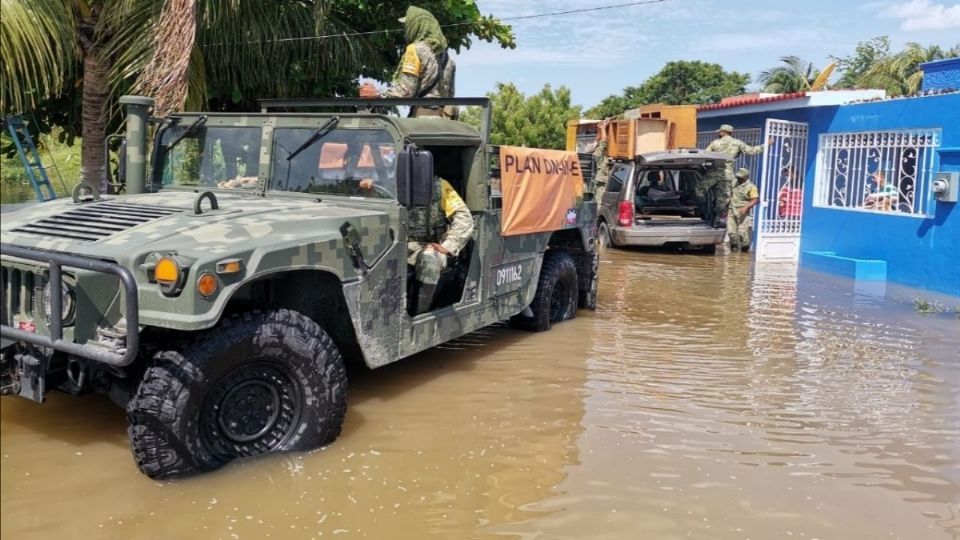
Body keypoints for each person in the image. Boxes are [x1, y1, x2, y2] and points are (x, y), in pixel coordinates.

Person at [359, 6, 457, 119]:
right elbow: (450, 95)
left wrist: (376, 94)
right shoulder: (448, 59)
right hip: (445, 122)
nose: (406, 30)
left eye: (408, 25)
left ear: (417, 26)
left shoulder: (415, 50)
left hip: (422, 121)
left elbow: (405, 92)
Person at [403, 176, 474, 314]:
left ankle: (417, 316)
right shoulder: (384, 181)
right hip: (395, 244)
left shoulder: (438, 186)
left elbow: (464, 219)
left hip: (426, 246)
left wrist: (448, 246)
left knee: (429, 258)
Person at [698, 124, 770, 228]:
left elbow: (705, 155)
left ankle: (702, 212)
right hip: (727, 174)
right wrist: (766, 145)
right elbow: (752, 151)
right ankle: (717, 219)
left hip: (713, 173)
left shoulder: (715, 143)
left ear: (723, 132)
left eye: (720, 132)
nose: (718, 133)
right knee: (723, 197)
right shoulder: (737, 143)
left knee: (700, 190)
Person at [728, 167, 759, 252]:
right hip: (731, 209)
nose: (738, 178)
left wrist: (746, 207)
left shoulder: (751, 187)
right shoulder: (734, 182)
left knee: (742, 233)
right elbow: (730, 193)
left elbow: (755, 200)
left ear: (746, 177)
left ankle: (745, 252)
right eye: (737, 176)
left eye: (740, 177)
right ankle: (733, 252)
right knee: (731, 232)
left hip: (743, 211)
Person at [586, 119, 611, 197]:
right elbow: (603, 142)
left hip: (601, 179)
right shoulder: (597, 154)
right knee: (600, 201)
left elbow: (598, 140)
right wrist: (603, 127)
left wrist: (599, 128)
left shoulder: (595, 151)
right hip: (602, 180)